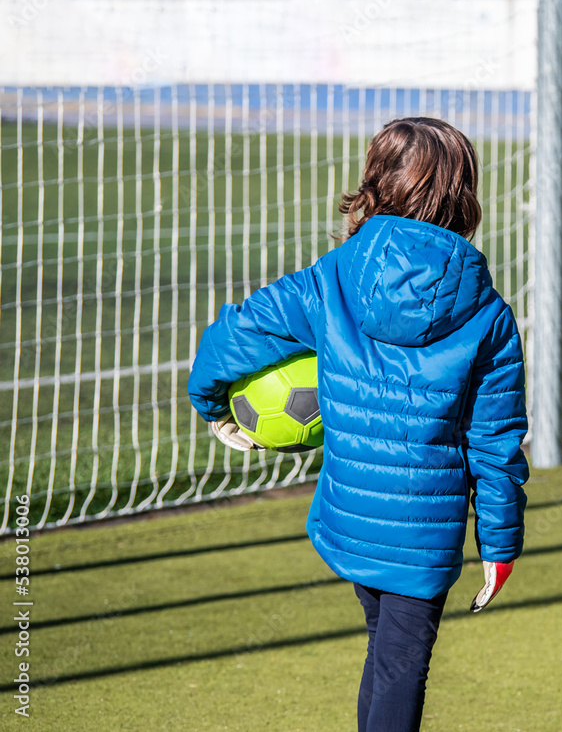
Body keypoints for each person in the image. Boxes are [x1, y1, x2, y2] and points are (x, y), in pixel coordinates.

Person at [187, 117, 529, 732]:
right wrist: (500, 545)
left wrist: (213, 404)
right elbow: (496, 445)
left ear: (375, 183)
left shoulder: (333, 276)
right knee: (400, 668)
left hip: (349, 518)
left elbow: (232, 335)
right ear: (464, 196)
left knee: (385, 654)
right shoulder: (490, 314)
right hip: (425, 538)